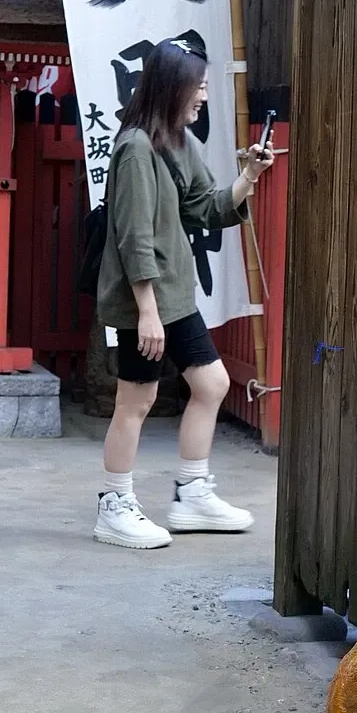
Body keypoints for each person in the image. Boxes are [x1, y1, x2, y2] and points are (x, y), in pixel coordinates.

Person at [93, 38, 274, 549]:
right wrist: (147, 313)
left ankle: (192, 494)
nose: (203, 96)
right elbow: (133, 238)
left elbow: (206, 206)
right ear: (173, 86)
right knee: (137, 399)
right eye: (199, 87)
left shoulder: (176, 141)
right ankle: (113, 506)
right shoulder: (135, 148)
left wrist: (249, 175)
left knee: (212, 383)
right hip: (144, 300)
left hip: (173, 294)